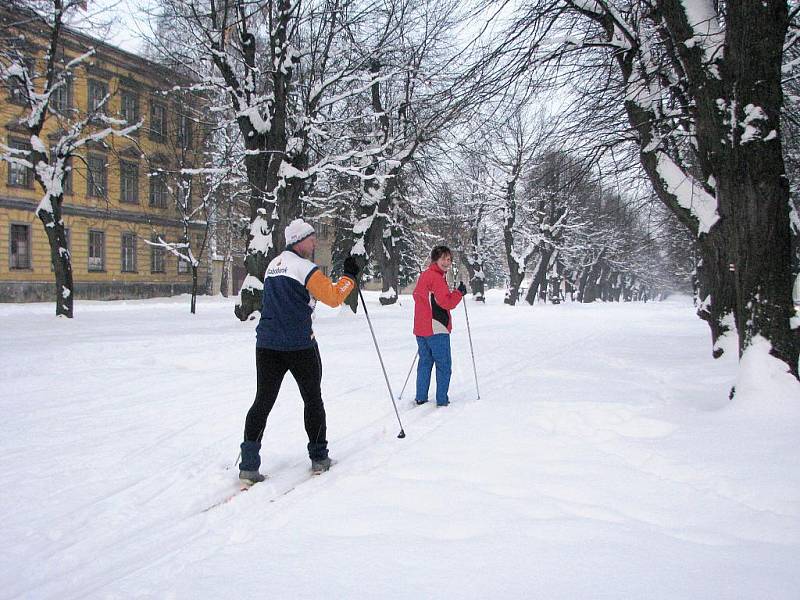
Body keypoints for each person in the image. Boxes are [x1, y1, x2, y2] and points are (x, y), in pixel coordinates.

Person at [238, 218, 360, 483]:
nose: (314, 242)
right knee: (312, 399)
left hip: (267, 343)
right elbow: (333, 297)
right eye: (311, 238)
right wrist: (350, 276)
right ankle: (319, 457)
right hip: (299, 344)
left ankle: (248, 463)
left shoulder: (273, 265)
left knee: (263, 400)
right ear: (298, 241)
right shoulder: (305, 268)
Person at [412, 245, 467, 407]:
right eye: (443, 258)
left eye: (449, 259)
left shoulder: (424, 276)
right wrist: (459, 293)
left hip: (421, 329)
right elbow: (446, 302)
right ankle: (442, 400)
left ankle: (421, 396)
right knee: (443, 365)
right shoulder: (436, 278)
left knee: (425, 363)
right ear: (435, 259)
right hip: (437, 328)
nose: (447, 262)